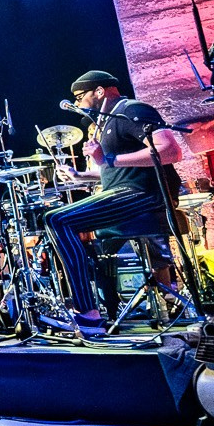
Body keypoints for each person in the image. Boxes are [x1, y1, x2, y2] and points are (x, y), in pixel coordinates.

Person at [44, 69, 185, 338]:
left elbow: (169, 151)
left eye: (80, 96)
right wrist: (81, 175)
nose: (78, 104)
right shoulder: (102, 125)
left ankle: (88, 313)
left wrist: (108, 160)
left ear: (99, 92)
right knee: (57, 220)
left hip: (144, 194)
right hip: (123, 191)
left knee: (57, 219)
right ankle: (97, 307)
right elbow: (112, 169)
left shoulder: (130, 110)